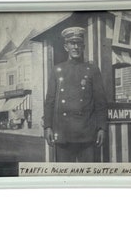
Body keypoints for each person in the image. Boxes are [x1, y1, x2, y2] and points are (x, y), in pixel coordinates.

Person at [43, 27, 108, 162]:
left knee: (88, 177)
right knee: (65, 177)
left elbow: (100, 102)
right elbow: (49, 100)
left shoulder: (92, 70)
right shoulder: (57, 70)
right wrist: (48, 126)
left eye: (78, 44)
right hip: (63, 134)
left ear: (83, 47)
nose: (75, 47)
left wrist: (102, 128)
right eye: (72, 43)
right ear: (66, 47)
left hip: (87, 134)